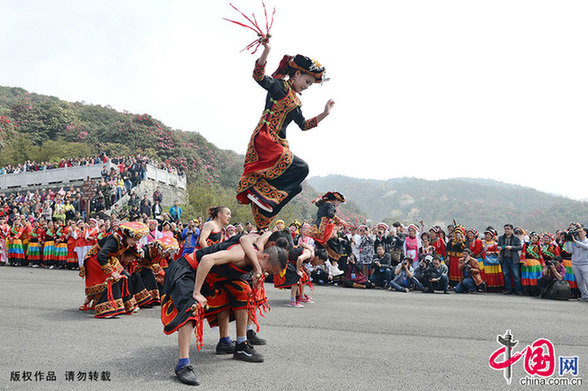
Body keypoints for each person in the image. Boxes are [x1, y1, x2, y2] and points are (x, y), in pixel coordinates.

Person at [235, 37, 334, 230]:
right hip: (266, 139)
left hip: (279, 143)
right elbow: (259, 76)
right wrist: (267, 51)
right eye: (306, 81)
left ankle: (265, 207)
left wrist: (325, 113)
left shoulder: (296, 102)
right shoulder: (279, 86)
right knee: (301, 167)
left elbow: (304, 125)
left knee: (296, 186)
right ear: (296, 74)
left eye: (310, 84)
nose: (307, 86)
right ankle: (260, 195)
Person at [162, 234, 287, 386]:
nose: (267, 274)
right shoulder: (239, 254)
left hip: (210, 275)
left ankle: (236, 344)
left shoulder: (257, 256)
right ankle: (183, 364)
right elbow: (206, 260)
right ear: (265, 257)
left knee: (243, 291)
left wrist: (257, 274)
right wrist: (197, 292)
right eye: (270, 270)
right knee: (193, 306)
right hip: (187, 269)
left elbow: (254, 237)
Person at [78, 222, 148, 318]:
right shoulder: (114, 240)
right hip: (95, 259)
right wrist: (111, 272)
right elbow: (101, 256)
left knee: (126, 276)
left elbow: (136, 251)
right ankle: (107, 308)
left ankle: (127, 304)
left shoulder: (127, 241)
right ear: (127, 236)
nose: (135, 242)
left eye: (137, 240)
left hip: (109, 258)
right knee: (111, 280)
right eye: (134, 239)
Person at [498, 224, 523, 295]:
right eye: (505, 229)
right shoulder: (501, 238)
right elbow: (499, 246)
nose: (506, 230)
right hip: (504, 258)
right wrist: (502, 247)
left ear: (512, 230)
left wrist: (512, 247)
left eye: (508, 229)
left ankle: (518, 290)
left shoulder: (516, 238)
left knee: (516, 275)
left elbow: (520, 247)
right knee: (506, 274)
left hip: (514, 259)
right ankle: (508, 289)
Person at [565, 226, 588, 301]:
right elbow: (570, 251)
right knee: (579, 280)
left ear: (585, 232)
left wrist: (576, 241)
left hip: (585, 263)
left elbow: (586, 247)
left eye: (581, 232)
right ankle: (584, 296)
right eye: (578, 232)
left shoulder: (586, 241)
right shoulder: (574, 241)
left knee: (587, 280)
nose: (579, 233)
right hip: (575, 263)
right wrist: (568, 241)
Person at [520, 232, 544, 296]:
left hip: (536, 264)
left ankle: (534, 291)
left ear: (538, 240)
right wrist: (523, 261)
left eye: (536, 238)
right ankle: (526, 291)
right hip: (527, 263)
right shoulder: (526, 244)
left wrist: (543, 264)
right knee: (527, 276)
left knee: (534, 277)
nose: (534, 239)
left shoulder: (539, 246)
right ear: (530, 237)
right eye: (533, 237)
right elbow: (523, 253)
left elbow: (540, 256)